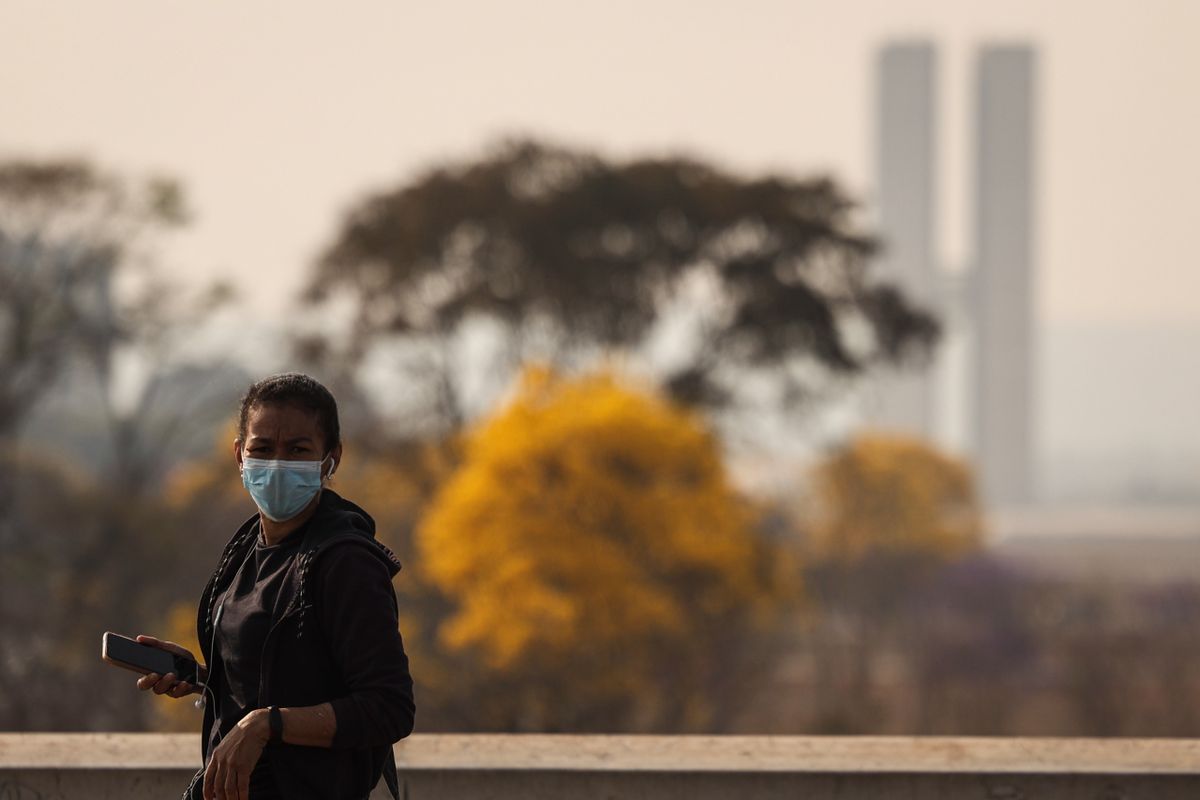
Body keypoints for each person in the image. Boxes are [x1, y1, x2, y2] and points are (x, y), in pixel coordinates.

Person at [134, 373, 415, 800]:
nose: (278, 463)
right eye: (262, 449)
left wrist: (267, 724)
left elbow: (389, 709)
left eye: (298, 450)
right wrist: (204, 678)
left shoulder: (346, 562)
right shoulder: (246, 550)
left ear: (331, 458)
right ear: (238, 456)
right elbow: (289, 679)